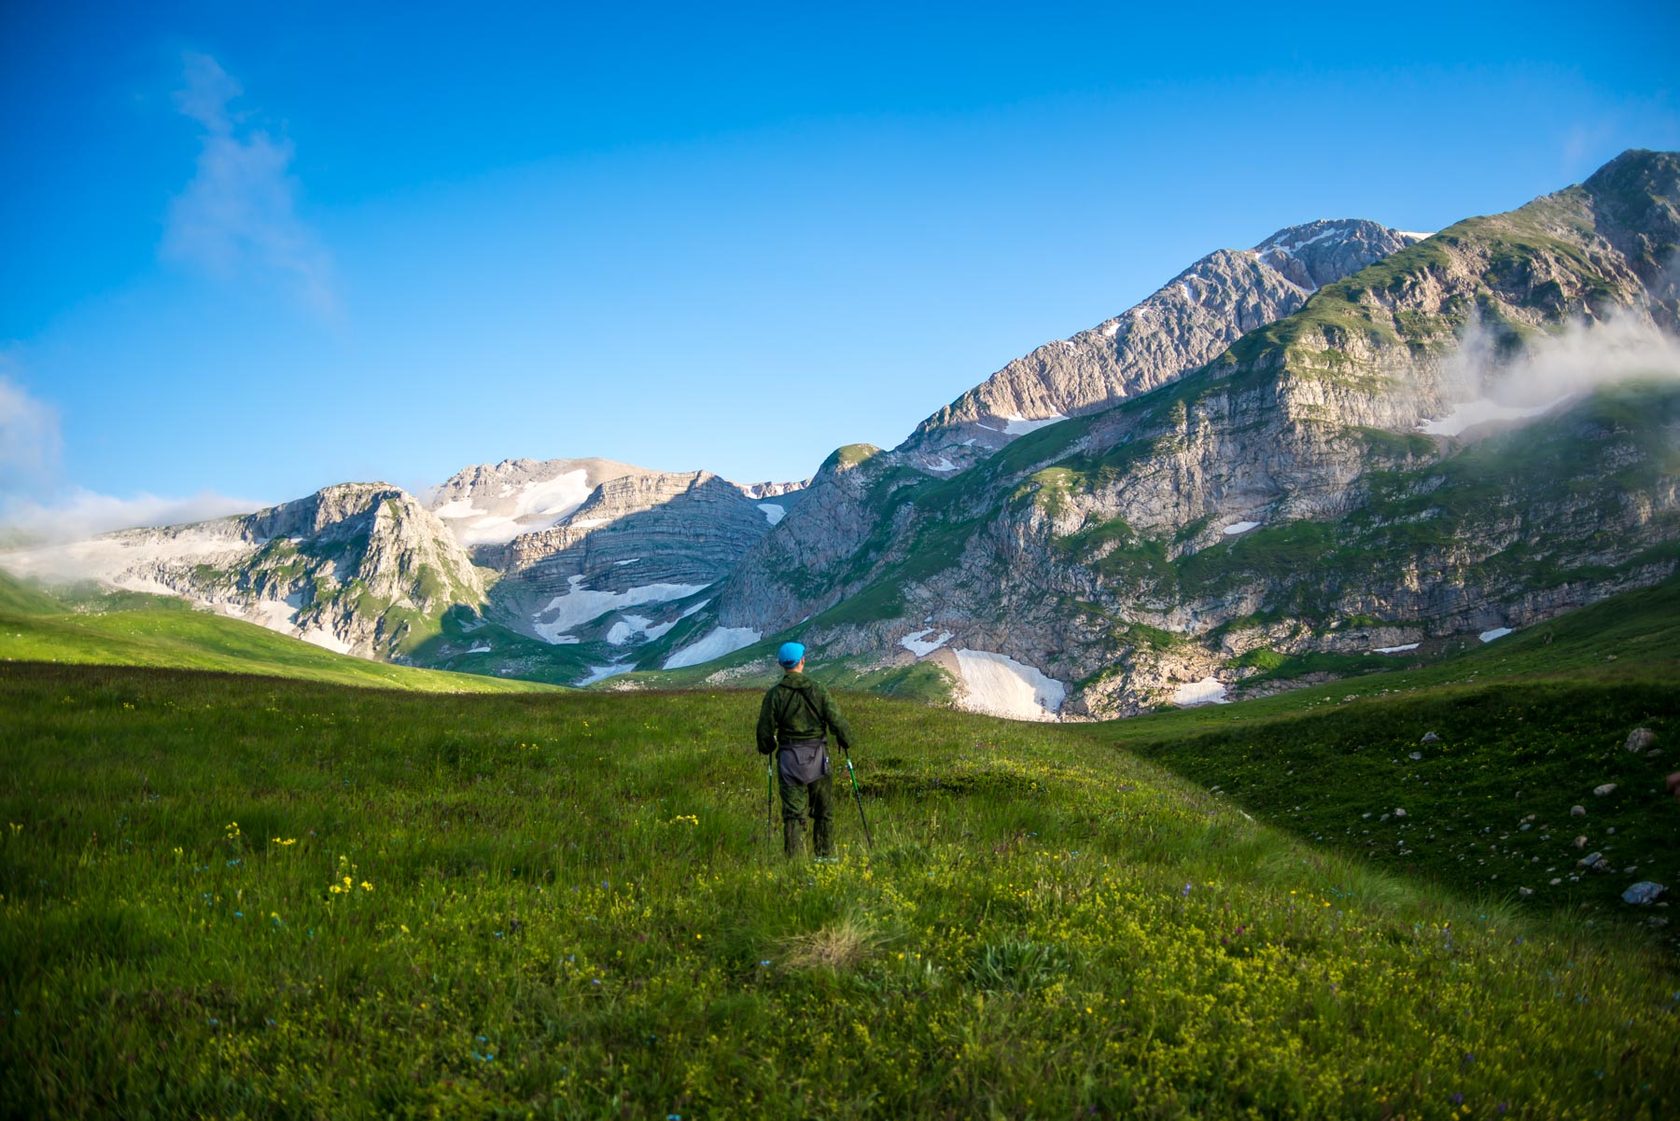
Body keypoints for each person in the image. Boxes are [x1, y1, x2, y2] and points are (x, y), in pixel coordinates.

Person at [756, 641, 855, 858]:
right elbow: (837, 721)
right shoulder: (818, 690)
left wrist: (770, 746)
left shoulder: (774, 695)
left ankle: (795, 864)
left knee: (793, 814)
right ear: (803, 661)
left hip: (789, 759)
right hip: (818, 758)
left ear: (781, 664)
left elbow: (764, 735)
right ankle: (824, 857)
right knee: (823, 812)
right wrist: (845, 740)